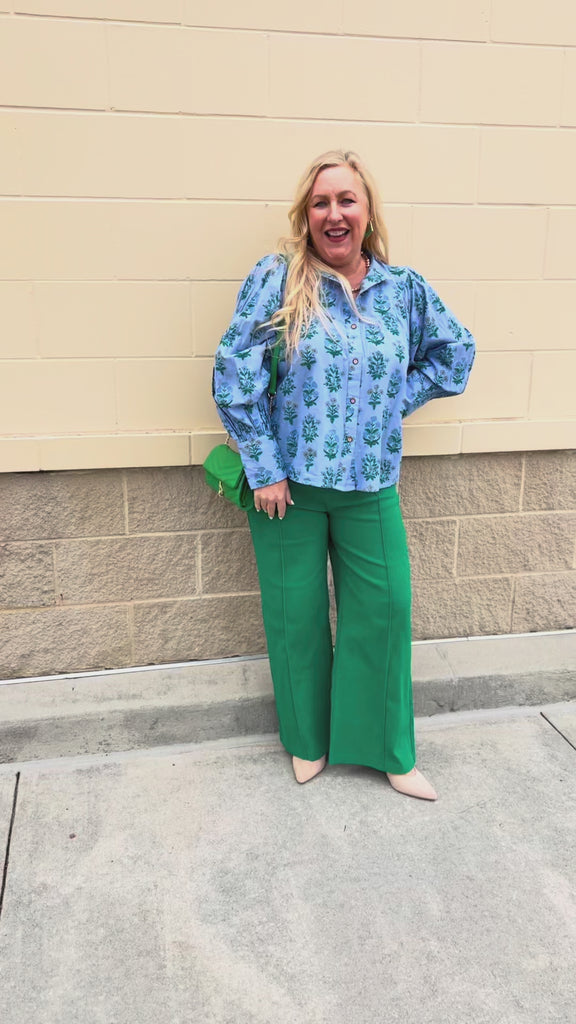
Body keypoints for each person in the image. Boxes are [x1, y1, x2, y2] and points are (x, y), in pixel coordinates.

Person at [212, 150, 475, 800]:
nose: (334, 213)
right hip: (287, 490)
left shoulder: (403, 290)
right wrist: (264, 468)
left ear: (367, 212)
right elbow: (235, 371)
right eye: (321, 202)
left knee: (384, 614)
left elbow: (456, 354)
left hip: (371, 486)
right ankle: (307, 741)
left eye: (346, 200)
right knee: (295, 617)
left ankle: (388, 750)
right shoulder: (278, 279)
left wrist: (393, 401)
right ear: (307, 216)